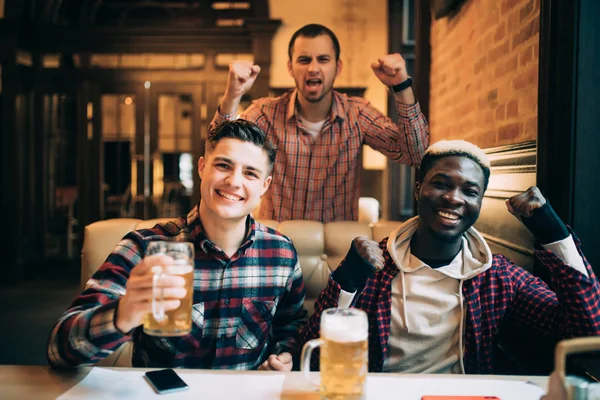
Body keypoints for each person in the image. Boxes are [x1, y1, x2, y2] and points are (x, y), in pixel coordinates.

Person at [300, 139, 600, 374]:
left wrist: (554, 235)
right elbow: (313, 354)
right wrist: (348, 280)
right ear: (419, 189)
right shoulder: (373, 264)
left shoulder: (495, 274)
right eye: (441, 184)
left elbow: (587, 335)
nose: (454, 198)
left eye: (469, 191)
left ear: (479, 203)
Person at [47, 120, 307, 371]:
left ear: (265, 185)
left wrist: (284, 353)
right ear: (202, 167)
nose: (234, 181)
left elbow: (291, 323)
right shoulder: (143, 247)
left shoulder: (281, 253)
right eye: (224, 165)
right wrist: (122, 314)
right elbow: (59, 349)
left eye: (250, 173)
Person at [210, 23, 430, 222]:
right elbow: (216, 149)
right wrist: (232, 96)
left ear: (338, 67)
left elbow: (416, 154)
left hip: (337, 253)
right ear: (290, 67)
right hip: (276, 246)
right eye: (304, 60)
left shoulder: (358, 113)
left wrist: (401, 87)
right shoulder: (264, 113)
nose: (313, 68)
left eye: (323, 59)